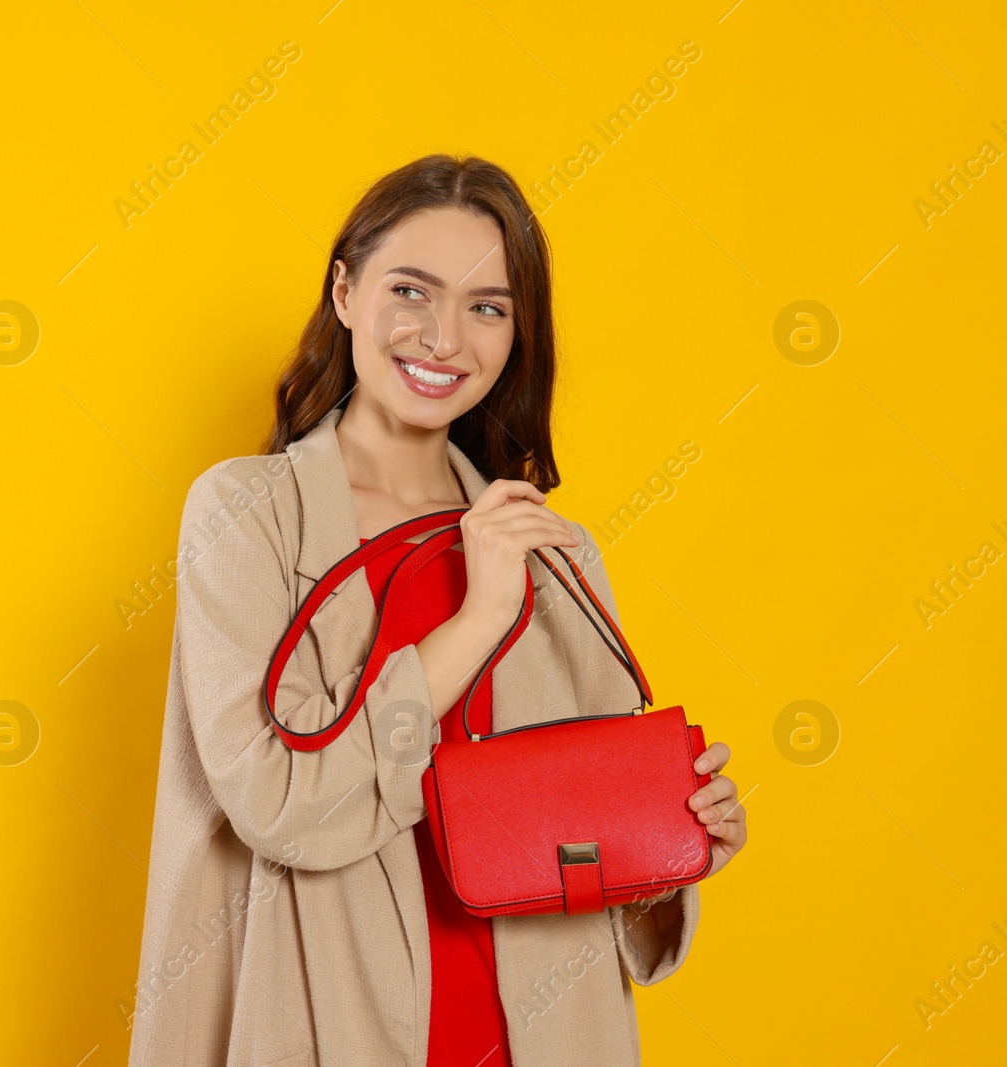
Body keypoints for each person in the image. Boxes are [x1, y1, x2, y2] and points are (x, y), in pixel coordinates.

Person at [127, 154, 747, 1067]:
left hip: (540, 1026)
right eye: (412, 290)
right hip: (322, 1011)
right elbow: (280, 802)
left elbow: (583, 840)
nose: (444, 337)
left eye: (488, 306)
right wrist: (476, 621)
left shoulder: (556, 551)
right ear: (344, 291)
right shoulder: (244, 514)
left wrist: (672, 837)